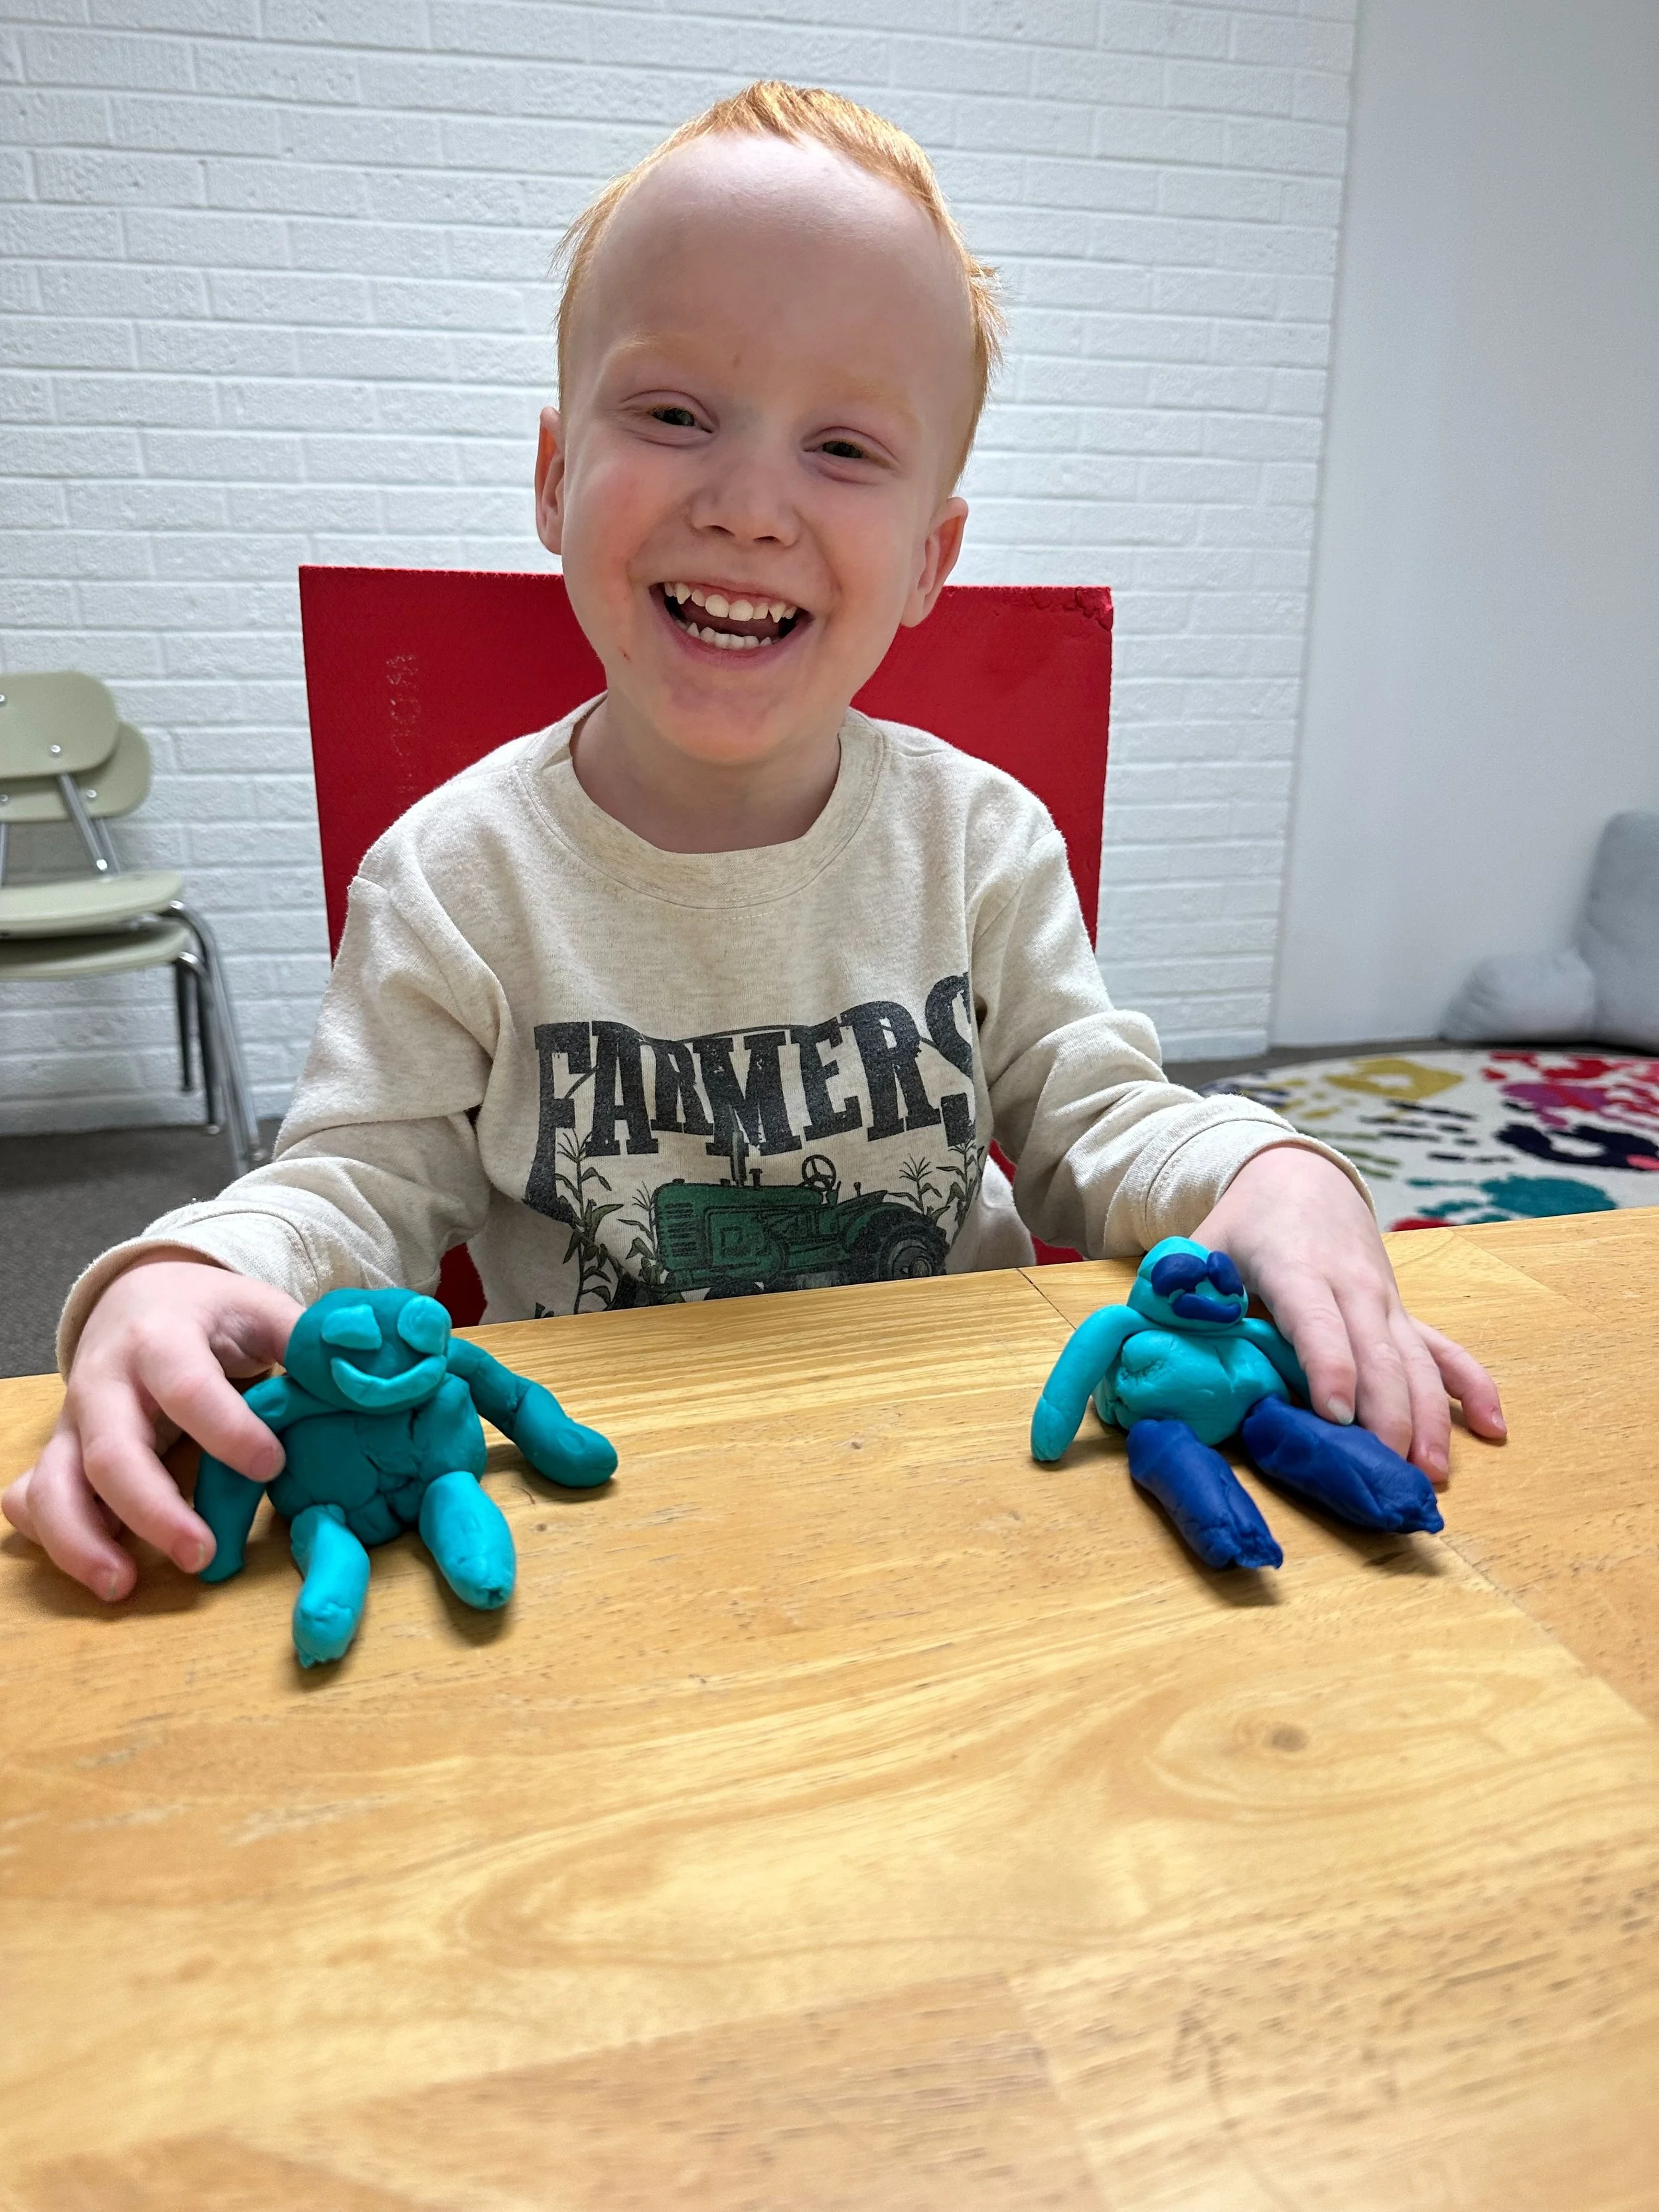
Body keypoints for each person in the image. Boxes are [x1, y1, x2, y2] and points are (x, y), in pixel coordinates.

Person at [3, 82, 1504, 1604]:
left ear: (927, 559)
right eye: (672, 414)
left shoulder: (980, 841)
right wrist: (190, 1270)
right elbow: (353, 1186)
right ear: (553, 477)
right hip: (597, 1502)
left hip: (969, 1472)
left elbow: (1094, 1115)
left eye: (841, 445)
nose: (747, 504)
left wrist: (1267, 1169)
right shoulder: (450, 877)